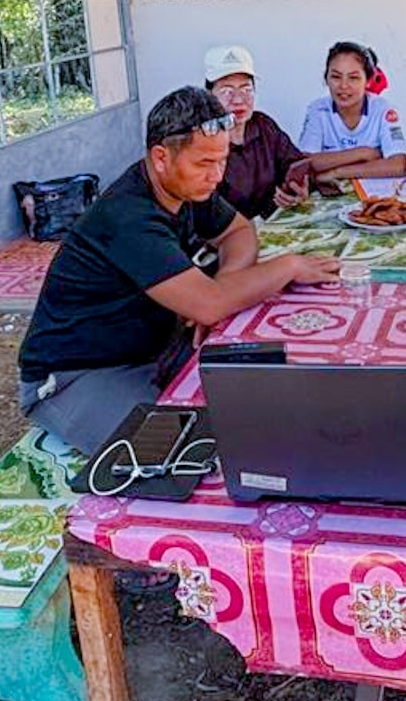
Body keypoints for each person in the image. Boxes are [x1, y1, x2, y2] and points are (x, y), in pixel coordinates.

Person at [19, 87, 342, 451]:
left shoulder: (185, 187)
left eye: (222, 160)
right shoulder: (129, 216)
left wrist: (222, 287)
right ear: (161, 157)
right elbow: (209, 305)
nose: (216, 176)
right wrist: (287, 266)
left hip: (155, 351)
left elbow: (239, 232)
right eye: (204, 163)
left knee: (265, 400)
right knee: (177, 452)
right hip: (77, 375)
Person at [202, 44, 308, 221]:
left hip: (271, 225)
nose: (238, 99)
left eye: (246, 89)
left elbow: (294, 164)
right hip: (227, 232)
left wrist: (296, 189)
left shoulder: (263, 126)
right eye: (227, 91)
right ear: (209, 96)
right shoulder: (203, 139)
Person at [297, 41, 406, 182]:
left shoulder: (384, 110)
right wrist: (362, 153)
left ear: (368, 81)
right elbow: (305, 162)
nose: (343, 86)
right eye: (336, 77)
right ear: (326, 78)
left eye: (353, 78)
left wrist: (337, 172)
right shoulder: (318, 110)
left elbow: (398, 166)